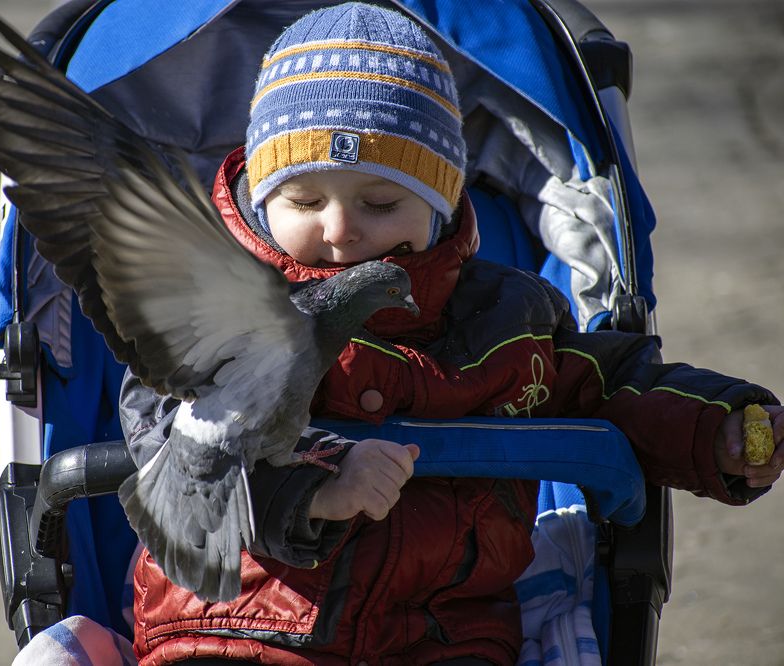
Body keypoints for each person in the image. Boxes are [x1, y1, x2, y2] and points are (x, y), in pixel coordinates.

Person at [116, 3, 783, 665]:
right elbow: (174, 444)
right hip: (237, 626)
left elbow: (610, 385)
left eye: (381, 203)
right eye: (305, 201)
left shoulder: (507, 320)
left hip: (443, 638)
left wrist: (712, 424)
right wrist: (311, 493)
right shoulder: (219, 319)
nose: (342, 230)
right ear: (262, 202)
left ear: (439, 207)